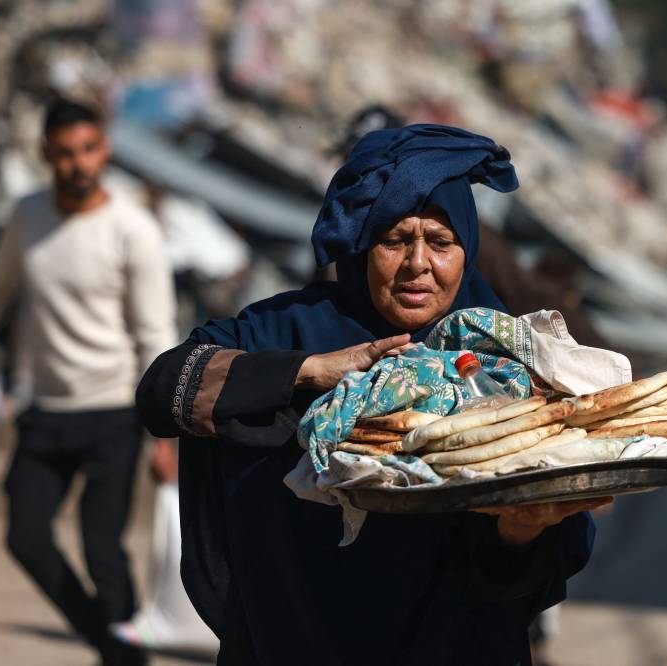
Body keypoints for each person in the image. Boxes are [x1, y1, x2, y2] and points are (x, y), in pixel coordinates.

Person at [136, 124, 610, 665]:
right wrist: (310, 372)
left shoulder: (510, 356)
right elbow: (163, 391)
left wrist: (520, 532)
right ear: (363, 246)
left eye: (440, 241)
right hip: (293, 640)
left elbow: (526, 576)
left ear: (468, 249)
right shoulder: (286, 330)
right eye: (394, 240)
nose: (417, 264)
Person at [0, 98, 177, 665]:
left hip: (113, 412)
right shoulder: (28, 217)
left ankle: (121, 655)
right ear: (46, 154)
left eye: (89, 149)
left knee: (103, 551)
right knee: (24, 537)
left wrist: (167, 434)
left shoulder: (133, 229)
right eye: (65, 153)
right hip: (45, 411)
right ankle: (111, 643)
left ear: (105, 149)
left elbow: (155, 334)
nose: (78, 163)